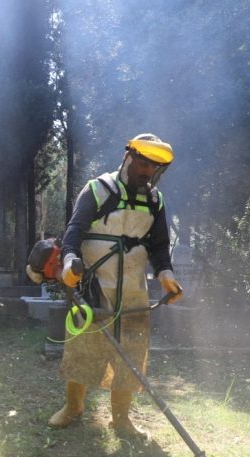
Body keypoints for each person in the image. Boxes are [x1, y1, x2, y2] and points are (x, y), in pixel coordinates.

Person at [50, 133, 182, 434]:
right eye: (143, 164)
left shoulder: (154, 200)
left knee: (132, 351)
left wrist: (167, 275)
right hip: (95, 282)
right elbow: (74, 231)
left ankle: (121, 418)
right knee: (84, 346)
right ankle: (73, 406)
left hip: (134, 287)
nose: (147, 172)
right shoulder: (98, 190)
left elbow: (160, 246)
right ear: (128, 157)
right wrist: (70, 262)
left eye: (153, 168)